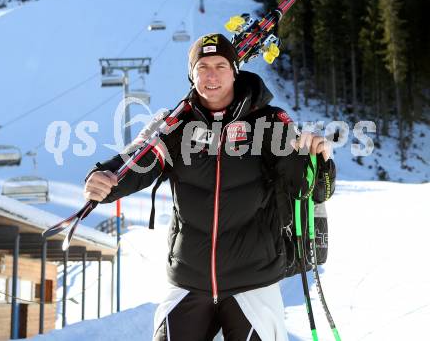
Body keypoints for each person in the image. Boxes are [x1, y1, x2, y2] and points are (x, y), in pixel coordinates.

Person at [84, 33, 336, 341]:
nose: (212, 75)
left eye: (220, 65)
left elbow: (308, 188)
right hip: (189, 278)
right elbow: (137, 161)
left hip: (253, 281)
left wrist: (316, 158)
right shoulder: (174, 125)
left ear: (234, 70)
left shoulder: (269, 122)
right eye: (203, 66)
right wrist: (105, 179)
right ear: (192, 74)